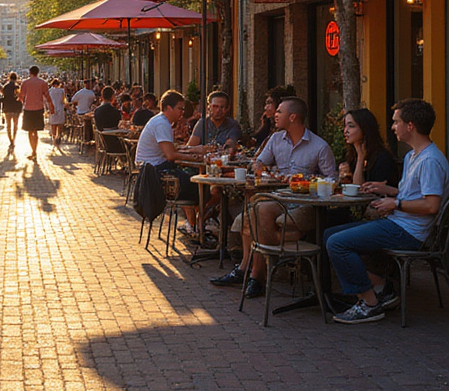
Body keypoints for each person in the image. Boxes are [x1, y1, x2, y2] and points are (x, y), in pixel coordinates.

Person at [325, 99, 449, 324]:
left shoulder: (429, 160)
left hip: (409, 231)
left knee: (337, 243)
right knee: (328, 234)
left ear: (410, 125)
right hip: (399, 223)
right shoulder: (413, 156)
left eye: (396, 122)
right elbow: (413, 194)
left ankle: (370, 304)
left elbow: (431, 205)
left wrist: (395, 204)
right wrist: (387, 190)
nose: (393, 127)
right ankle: (382, 287)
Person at [211, 96, 337, 298]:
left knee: (252, 214)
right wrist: (262, 169)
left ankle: (253, 273)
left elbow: (332, 181)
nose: (275, 115)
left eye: (279, 111)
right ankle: (253, 273)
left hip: (306, 203)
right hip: (279, 197)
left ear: (293, 117)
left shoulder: (319, 146)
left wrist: (308, 181)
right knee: (253, 210)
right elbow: (257, 162)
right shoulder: (276, 139)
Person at [134, 91, 199, 221]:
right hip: (157, 175)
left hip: (152, 171)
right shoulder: (162, 123)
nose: (182, 112)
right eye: (180, 108)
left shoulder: (161, 121)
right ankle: (196, 225)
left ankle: (195, 225)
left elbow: (171, 149)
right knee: (202, 189)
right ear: (168, 108)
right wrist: (198, 158)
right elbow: (170, 155)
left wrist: (194, 150)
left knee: (197, 183)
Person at [338, 108, 399, 187]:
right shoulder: (350, 154)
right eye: (345, 126)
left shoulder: (382, 158)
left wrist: (360, 159)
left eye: (351, 126)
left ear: (365, 128)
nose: (346, 130)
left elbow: (358, 188)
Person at [19, 65, 53, 162]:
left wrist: (23, 102)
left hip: (28, 109)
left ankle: (33, 150)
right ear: (38, 72)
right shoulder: (43, 83)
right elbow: (47, 96)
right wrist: (51, 106)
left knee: (30, 131)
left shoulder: (25, 83)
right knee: (36, 131)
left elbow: (21, 96)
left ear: (30, 72)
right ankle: (35, 150)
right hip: (39, 108)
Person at [0, 72, 22, 155]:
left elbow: (2, 93)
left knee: (8, 125)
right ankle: (14, 139)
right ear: (16, 78)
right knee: (15, 125)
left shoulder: (5, 86)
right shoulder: (17, 86)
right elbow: (19, 96)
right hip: (16, 107)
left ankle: (11, 140)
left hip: (7, 107)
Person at [48, 77, 66, 150]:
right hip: (60, 109)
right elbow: (64, 100)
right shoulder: (62, 91)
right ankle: (59, 138)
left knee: (53, 126)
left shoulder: (50, 91)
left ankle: (54, 139)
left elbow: (48, 100)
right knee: (60, 125)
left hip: (52, 109)